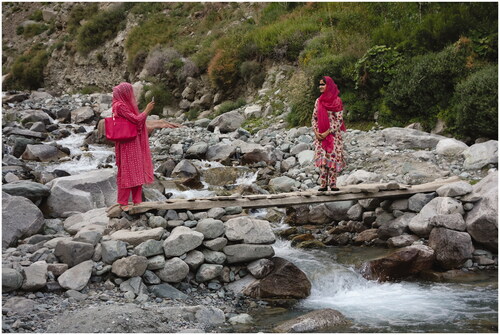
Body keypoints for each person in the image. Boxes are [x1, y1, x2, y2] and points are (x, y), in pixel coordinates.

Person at [111, 82, 155, 211]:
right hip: (128, 143)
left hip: (129, 141)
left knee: (135, 170)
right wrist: (147, 110)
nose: (132, 95)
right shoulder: (120, 106)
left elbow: (133, 120)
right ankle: (124, 202)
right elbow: (136, 120)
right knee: (128, 171)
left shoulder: (118, 105)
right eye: (130, 92)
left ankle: (136, 201)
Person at [311, 76, 346, 191]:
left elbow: (339, 120)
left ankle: (333, 184)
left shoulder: (337, 101)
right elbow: (314, 118)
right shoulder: (318, 101)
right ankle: (323, 184)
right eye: (320, 84)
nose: (320, 87)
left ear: (329, 85)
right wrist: (316, 132)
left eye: (323, 84)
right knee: (322, 158)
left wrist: (328, 131)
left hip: (333, 135)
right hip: (320, 135)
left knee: (333, 158)